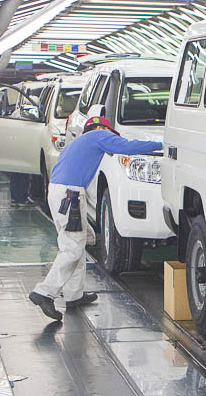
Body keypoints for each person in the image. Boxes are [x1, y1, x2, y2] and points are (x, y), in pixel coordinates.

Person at [28, 116, 161, 320]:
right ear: (100, 128)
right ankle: (45, 292)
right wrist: (163, 144)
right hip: (69, 196)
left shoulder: (79, 143)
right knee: (72, 247)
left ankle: (74, 295)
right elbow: (127, 146)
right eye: (109, 133)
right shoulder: (98, 135)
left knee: (77, 244)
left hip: (61, 193)